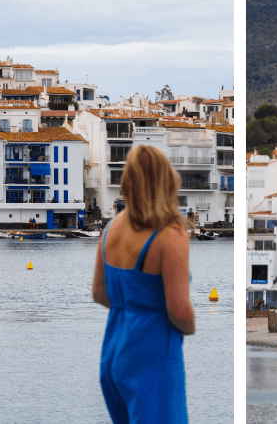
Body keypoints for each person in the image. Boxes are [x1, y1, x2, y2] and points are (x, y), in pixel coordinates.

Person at [92, 145, 195, 423]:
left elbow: (99, 293)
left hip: (113, 354)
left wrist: (132, 307)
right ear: (166, 182)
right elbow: (179, 310)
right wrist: (190, 325)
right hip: (152, 359)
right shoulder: (169, 235)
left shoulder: (111, 229)